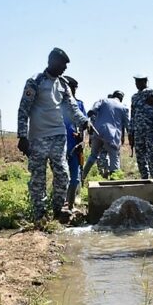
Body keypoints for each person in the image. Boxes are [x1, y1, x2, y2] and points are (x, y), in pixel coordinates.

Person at [17, 48, 89, 225]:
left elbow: (72, 109)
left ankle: (57, 211)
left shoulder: (63, 84)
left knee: (62, 174)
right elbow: (23, 109)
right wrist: (22, 136)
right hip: (38, 137)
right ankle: (40, 214)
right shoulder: (35, 81)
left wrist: (85, 122)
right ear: (52, 61)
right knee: (38, 177)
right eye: (63, 64)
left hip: (59, 135)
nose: (65, 68)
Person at [82, 91, 130, 180]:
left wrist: (87, 122)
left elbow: (91, 111)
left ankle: (82, 177)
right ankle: (114, 182)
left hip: (98, 132)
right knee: (114, 157)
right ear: (121, 98)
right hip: (112, 136)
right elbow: (128, 125)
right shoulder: (123, 107)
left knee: (93, 155)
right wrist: (130, 138)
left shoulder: (103, 101)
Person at [63, 76, 88, 209]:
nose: (73, 91)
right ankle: (62, 203)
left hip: (74, 145)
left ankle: (71, 205)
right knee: (62, 176)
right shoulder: (56, 105)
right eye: (71, 88)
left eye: (74, 88)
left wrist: (82, 142)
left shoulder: (79, 104)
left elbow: (84, 124)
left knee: (75, 177)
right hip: (59, 145)